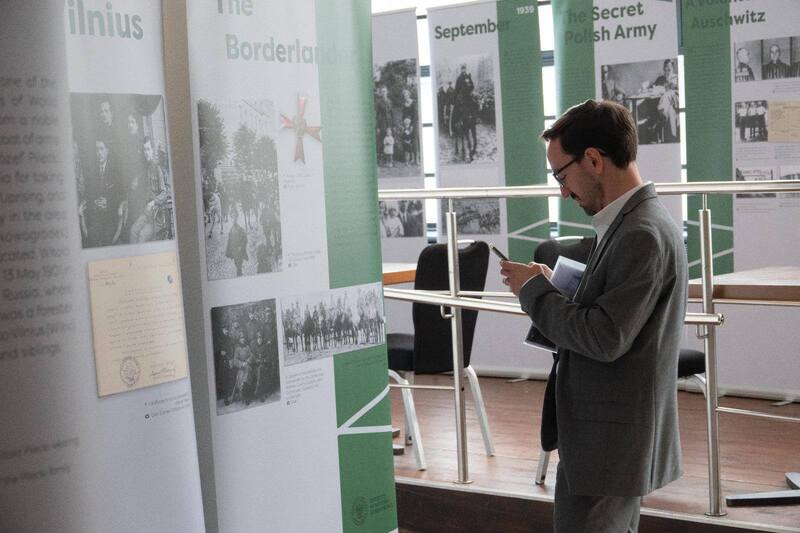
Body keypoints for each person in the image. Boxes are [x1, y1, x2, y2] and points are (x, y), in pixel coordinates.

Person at [499, 99, 687, 532]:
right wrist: (557, 285)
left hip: (609, 441)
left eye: (561, 175)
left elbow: (604, 337)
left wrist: (533, 292)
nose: (563, 190)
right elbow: (614, 310)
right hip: (605, 437)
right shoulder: (632, 223)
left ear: (595, 160)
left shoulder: (641, 232)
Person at [129, 137, 170, 243]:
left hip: (156, 216)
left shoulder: (158, 168)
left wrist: (153, 202)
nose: (145, 152)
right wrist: (135, 184)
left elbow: (165, 192)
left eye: (148, 149)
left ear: (153, 150)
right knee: (133, 231)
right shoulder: (144, 169)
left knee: (142, 235)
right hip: (146, 213)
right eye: (144, 150)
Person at [226, 207, 248, 277]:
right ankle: (239, 271)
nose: (234, 218)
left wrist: (241, 246)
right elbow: (229, 239)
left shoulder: (240, 228)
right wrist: (228, 250)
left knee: (239, 264)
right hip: (234, 249)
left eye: (235, 216)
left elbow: (245, 239)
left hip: (239, 249)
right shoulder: (231, 228)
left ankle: (239, 273)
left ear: (237, 216)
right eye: (232, 216)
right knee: (236, 263)